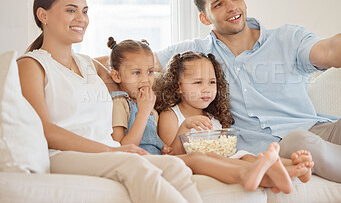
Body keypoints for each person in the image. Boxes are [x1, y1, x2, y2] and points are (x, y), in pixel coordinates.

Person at [153, 0, 341, 202]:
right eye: (218, 4)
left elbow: (329, 51)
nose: (231, 7)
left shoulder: (286, 38)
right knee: (300, 142)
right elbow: (139, 60)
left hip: (321, 130)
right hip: (278, 148)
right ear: (205, 17)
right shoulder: (195, 55)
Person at [17, 0, 204, 203]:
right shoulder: (31, 65)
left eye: (85, 11)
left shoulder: (89, 65)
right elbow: (45, 130)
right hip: (64, 155)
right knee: (134, 165)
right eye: (71, 10)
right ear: (43, 15)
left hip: (110, 151)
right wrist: (109, 151)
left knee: (174, 167)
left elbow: (130, 71)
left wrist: (186, 79)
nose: (81, 19)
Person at [106, 37, 310, 193]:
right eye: (136, 73)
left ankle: (293, 167)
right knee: (204, 158)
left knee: (245, 155)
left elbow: (165, 149)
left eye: (150, 72)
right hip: (153, 162)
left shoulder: (151, 108)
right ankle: (266, 170)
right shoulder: (124, 104)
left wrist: (148, 112)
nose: (146, 80)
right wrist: (167, 122)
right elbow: (126, 149)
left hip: (167, 159)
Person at [154, 51, 313, 184]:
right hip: (203, 165)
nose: (207, 89)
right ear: (178, 86)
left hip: (227, 159)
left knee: (246, 156)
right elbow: (170, 156)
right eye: (198, 83)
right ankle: (279, 170)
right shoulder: (171, 115)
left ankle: (294, 166)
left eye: (211, 82)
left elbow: (226, 149)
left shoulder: (212, 117)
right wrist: (185, 127)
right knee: (240, 160)